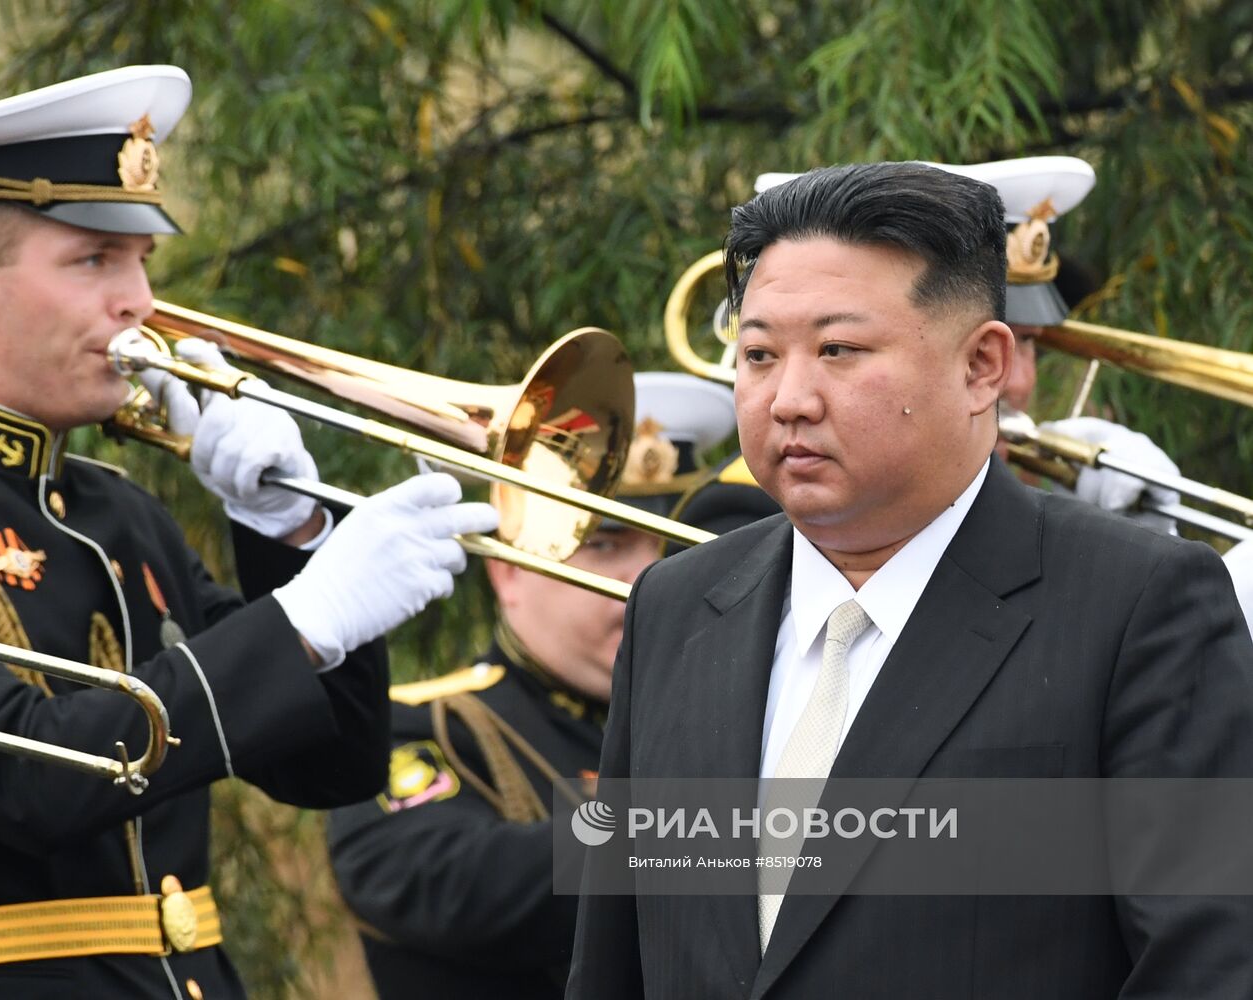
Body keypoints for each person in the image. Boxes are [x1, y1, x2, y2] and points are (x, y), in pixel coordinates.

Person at [567, 163, 1253, 998]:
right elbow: (610, 965)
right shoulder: (674, 606)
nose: (788, 399)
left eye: (839, 350)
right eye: (757, 354)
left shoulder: (1138, 605)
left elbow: (1209, 964)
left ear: (981, 367)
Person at [0, 67, 497, 998]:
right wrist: (300, 619)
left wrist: (289, 529)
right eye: (94, 260)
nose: (138, 301)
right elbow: (29, 781)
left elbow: (330, 767)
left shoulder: (117, 511)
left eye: (142, 262)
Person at [327, 371, 737, 999]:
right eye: (604, 545)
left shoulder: (727, 715)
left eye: (675, 550)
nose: (650, 580)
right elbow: (459, 888)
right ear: (507, 572)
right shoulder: (425, 728)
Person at [757, 158, 1184, 531]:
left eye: (1030, 344)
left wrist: (1108, 548)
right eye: (759, 354)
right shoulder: (755, 509)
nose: (1016, 383)